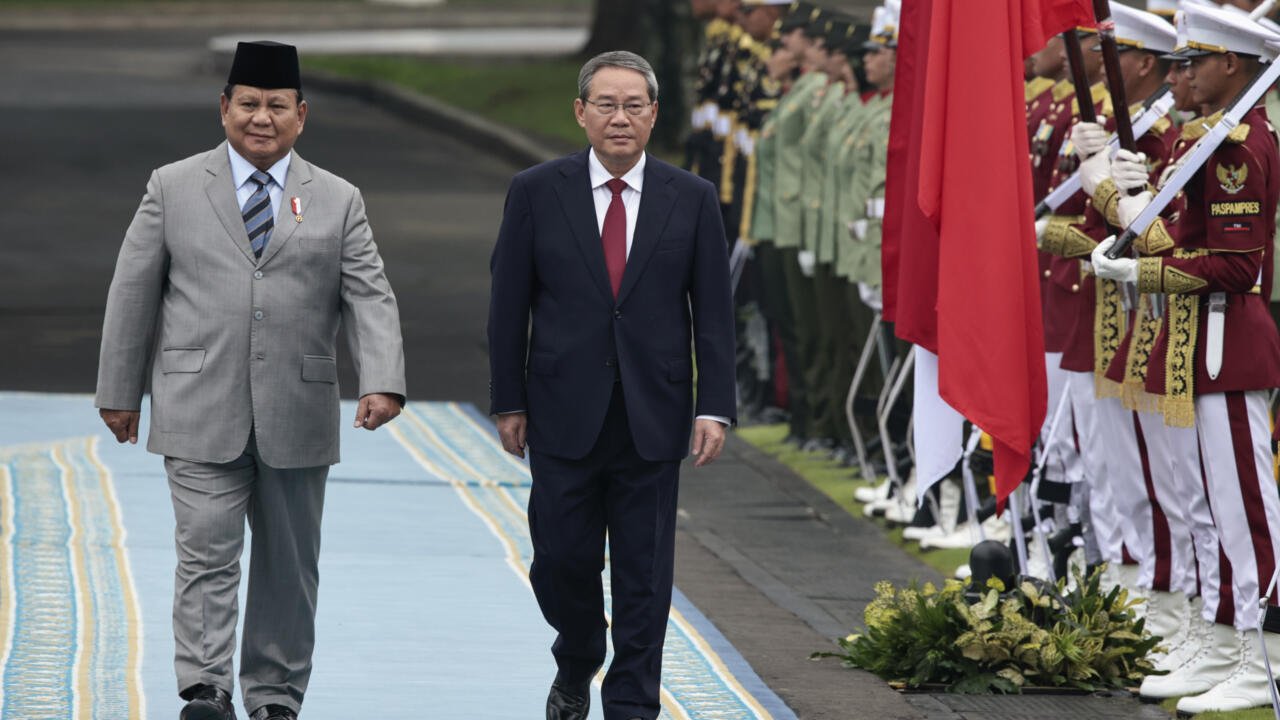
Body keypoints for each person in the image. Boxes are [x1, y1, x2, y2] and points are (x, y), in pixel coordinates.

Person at [95, 41, 406, 720]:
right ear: (224, 108)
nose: (259, 119)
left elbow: (370, 295)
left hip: (299, 407)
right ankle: (206, 688)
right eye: (247, 104)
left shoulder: (339, 199)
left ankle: (274, 696)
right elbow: (132, 291)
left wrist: (381, 379)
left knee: (288, 568)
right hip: (197, 402)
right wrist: (119, 389)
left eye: (274, 106)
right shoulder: (173, 186)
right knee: (206, 552)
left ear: (301, 114)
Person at [486, 51, 736, 720]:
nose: (620, 118)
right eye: (606, 104)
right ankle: (578, 650)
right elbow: (509, 304)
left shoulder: (692, 197)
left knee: (643, 575)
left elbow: (712, 314)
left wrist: (714, 405)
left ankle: (631, 704)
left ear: (654, 114)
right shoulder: (537, 191)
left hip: (653, 414)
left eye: (634, 105)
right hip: (561, 409)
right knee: (559, 559)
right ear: (581, 113)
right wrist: (508, 398)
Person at [1092, 4, 1280, 712]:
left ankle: (1263, 656)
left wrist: (1140, 274)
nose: (1179, 75)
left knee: (1245, 512)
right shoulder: (1207, 143)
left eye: (1191, 61)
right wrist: (1126, 203)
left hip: (1227, 340)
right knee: (1211, 507)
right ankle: (1226, 639)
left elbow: (1236, 267)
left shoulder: (1236, 147)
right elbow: (1176, 236)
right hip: (1200, 337)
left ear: (1231, 65)